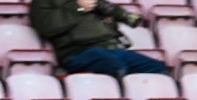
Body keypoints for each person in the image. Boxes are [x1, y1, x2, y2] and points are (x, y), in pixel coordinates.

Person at [30, 0, 168, 78]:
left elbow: (113, 12)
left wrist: (112, 21)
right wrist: (78, 9)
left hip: (111, 48)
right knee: (113, 64)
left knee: (157, 68)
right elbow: (47, 27)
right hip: (77, 52)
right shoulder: (41, 2)